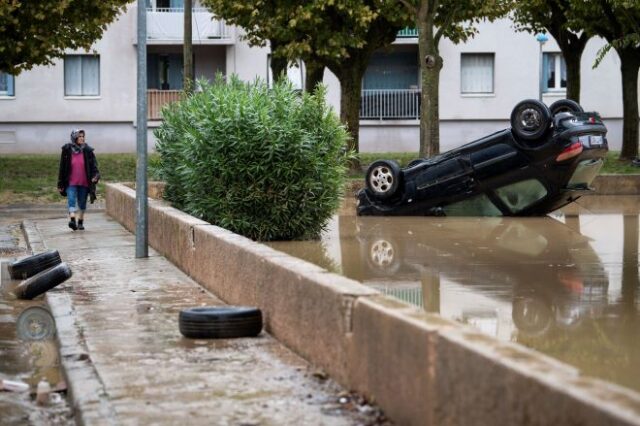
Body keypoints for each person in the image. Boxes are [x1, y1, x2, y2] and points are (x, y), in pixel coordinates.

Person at [57, 129, 100, 231]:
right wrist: (60, 183)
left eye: (83, 136)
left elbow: (94, 166)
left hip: (84, 182)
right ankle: (72, 219)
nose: (82, 138)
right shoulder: (67, 150)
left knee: (82, 203)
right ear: (74, 138)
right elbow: (62, 167)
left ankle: (80, 221)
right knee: (71, 200)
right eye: (79, 136)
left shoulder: (88, 151)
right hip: (71, 182)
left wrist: (96, 176)